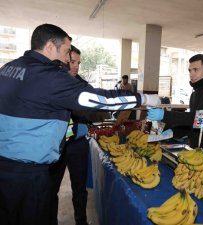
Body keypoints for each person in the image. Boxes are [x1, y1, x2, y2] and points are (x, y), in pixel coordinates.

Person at [0, 23, 160, 225]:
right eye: (67, 52)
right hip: (29, 175)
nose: (68, 59)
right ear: (50, 46)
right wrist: (144, 99)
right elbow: (100, 100)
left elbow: (34, 115)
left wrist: (76, 130)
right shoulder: (49, 76)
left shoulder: (8, 68)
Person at [147, 54, 203, 172]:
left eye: (196, 70)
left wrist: (165, 115)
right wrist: (173, 132)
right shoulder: (196, 93)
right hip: (198, 154)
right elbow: (195, 124)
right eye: (190, 70)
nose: (191, 74)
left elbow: (200, 119)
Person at [49, 45, 90, 225]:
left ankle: (81, 221)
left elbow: (93, 107)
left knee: (80, 189)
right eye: (72, 62)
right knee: (51, 189)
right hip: (57, 144)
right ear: (64, 60)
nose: (76, 66)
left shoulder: (82, 84)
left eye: (78, 63)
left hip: (77, 145)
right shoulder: (53, 83)